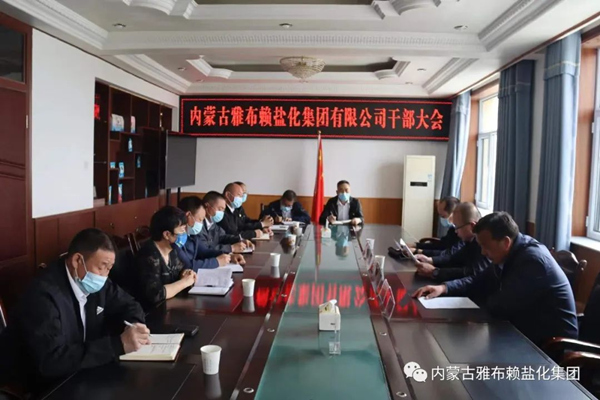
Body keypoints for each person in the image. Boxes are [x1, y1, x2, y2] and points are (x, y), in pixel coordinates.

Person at [0, 228, 148, 393]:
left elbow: (130, 305)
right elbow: (51, 361)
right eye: (102, 267)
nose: (104, 276)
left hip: (83, 372)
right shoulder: (43, 295)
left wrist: (135, 325)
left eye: (109, 268)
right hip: (44, 386)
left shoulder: (96, 282)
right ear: (77, 260)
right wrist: (117, 345)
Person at [413, 212, 578, 345]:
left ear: (505, 242)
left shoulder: (532, 261)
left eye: (485, 246)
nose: (483, 252)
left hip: (549, 346)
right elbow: (478, 280)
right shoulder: (511, 251)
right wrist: (444, 288)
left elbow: (501, 305)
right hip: (522, 331)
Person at [134, 206, 197, 308]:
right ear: (167, 234)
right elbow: (155, 295)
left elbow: (180, 271)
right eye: (181, 231)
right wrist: (185, 282)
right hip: (152, 311)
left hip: (171, 305)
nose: (184, 234)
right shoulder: (148, 255)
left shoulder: (172, 250)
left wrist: (185, 274)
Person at [413, 202, 490, 282]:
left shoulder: (484, 244)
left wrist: (435, 272)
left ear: (472, 226)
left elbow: (471, 272)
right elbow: (453, 259)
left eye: (457, 226)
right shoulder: (470, 241)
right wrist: (430, 260)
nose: (455, 231)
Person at [176, 196, 246, 270]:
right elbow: (187, 265)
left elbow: (205, 251)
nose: (201, 224)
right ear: (188, 215)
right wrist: (216, 262)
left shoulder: (192, 236)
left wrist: (229, 256)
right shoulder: (176, 238)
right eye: (200, 220)